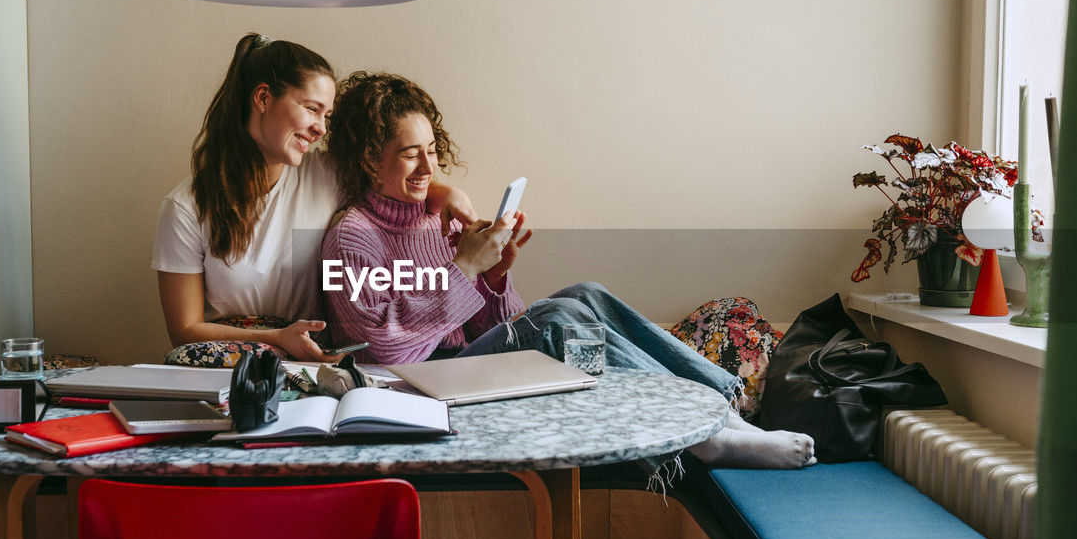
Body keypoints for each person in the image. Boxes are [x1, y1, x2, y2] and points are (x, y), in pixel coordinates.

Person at [320, 72, 815, 469]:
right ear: (369, 158)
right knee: (557, 320)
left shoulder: (437, 219)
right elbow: (386, 347)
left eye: (431, 148)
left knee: (588, 295)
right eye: (411, 153)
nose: (429, 165)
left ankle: (720, 409)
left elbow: (489, 329)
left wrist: (492, 279)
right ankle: (700, 437)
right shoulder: (352, 235)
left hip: (454, 368)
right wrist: (466, 265)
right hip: (411, 386)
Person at [152, 35, 477, 367]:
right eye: (311, 109)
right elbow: (184, 330)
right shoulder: (185, 208)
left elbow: (395, 176)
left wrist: (447, 193)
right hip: (230, 364)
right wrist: (276, 339)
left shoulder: (325, 174)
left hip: (316, 362)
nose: (320, 128)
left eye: (326, 115)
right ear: (263, 98)